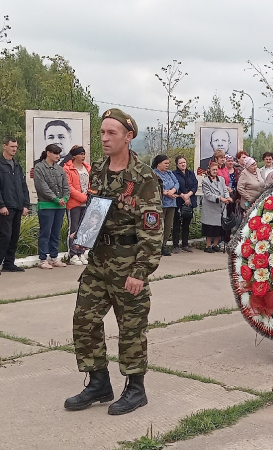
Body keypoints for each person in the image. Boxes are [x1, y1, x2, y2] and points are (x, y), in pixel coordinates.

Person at [65, 108, 162, 416]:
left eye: (112, 133)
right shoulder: (98, 170)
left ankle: (136, 388)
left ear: (128, 136)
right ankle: (98, 382)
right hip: (98, 261)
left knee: (131, 327)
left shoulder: (144, 177)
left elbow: (152, 230)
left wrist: (140, 272)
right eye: (102, 133)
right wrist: (84, 234)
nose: (105, 138)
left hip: (128, 263)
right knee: (84, 320)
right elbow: (96, 209)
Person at [0, 136, 30, 275]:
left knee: (14, 236)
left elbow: (23, 186)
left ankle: (9, 263)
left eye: (16, 147)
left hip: (18, 205)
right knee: (5, 235)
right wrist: (1, 205)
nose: (14, 149)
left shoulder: (17, 165)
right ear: (4, 146)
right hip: (6, 206)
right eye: (12, 146)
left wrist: (25, 204)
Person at [34, 144, 70, 270]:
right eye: (55, 153)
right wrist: (55, 199)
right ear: (48, 153)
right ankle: (43, 259)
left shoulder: (60, 169)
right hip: (46, 205)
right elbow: (42, 187)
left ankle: (54, 257)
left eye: (59, 154)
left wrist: (65, 198)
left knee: (56, 232)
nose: (57, 156)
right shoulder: (39, 168)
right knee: (45, 232)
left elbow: (66, 186)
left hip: (60, 207)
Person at [64, 146, 92, 265]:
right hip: (74, 203)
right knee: (74, 228)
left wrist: (90, 196)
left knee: (84, 228)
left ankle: (81, 252)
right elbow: (69, 187)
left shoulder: (87, 168)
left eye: (84, 154)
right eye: (80, 154)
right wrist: (83, 197)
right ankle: (73, 254)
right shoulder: (67, 169)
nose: (83, 156)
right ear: (74, 155)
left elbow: (91, 184)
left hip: (87, 203)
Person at [201, 162, 231, 252]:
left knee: (219, 227)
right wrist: (220, 198)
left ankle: (215, 245)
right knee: (209, 227)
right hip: (210, 208)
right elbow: (208, 194)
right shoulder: (205, 181)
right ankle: (208, 246)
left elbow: (225, 190)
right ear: (209, 170)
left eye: (216, 169)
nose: (215, 171)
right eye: (213, 169)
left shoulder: (221, 179)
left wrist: (228, 197)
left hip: (220, 208)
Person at [152, 154, 178, 256]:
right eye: (165, 163)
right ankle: (156, 246)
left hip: (171, 203)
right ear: (159, 164)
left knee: (168, 225)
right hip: (161, 203)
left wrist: (173, 190)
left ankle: (164, 245)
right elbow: (154, 186)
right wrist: (165, 192)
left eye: (168, 163)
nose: (167, 165)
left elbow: (176, 183)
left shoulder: (169, 173)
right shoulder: (154, 173)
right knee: (159, 226)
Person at [172, 155, 197, 253]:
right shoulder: (174, 174)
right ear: (177, 165)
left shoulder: (191, 173)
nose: (183, 164)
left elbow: (194, 185)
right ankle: (175, 245)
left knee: (186, 224)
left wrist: (188, 195)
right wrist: (183, 196)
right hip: (178, 200)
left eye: (184, 162)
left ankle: (185, 244)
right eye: (180, 163)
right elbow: (175, 186)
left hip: (189, 200)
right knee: (176, 223)